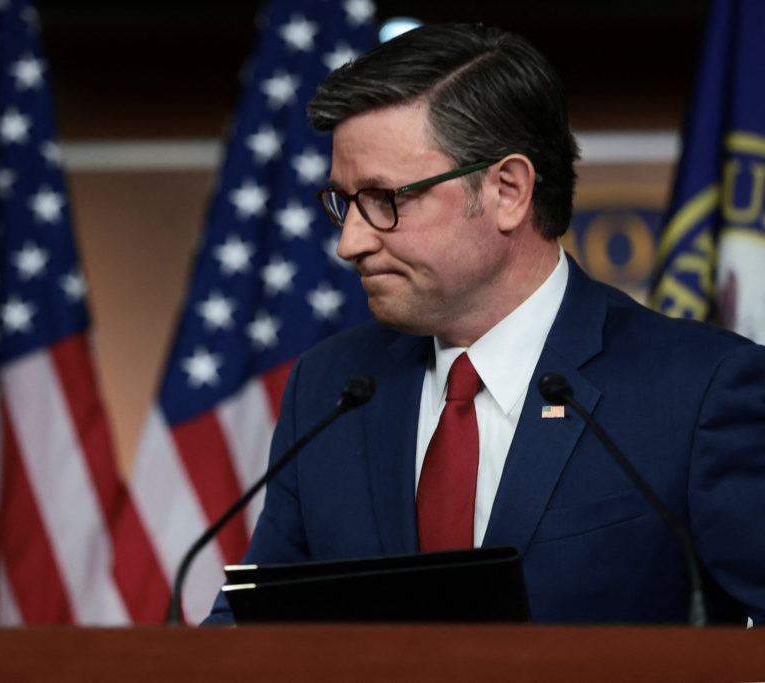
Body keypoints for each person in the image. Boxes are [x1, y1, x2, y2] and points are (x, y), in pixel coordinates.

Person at [205, 22, 765, 625]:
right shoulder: (330, 387)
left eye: (385, 199)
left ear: (508, 190)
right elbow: (254, 627)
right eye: (344, 201)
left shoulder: (701, 391)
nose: (350, 242)